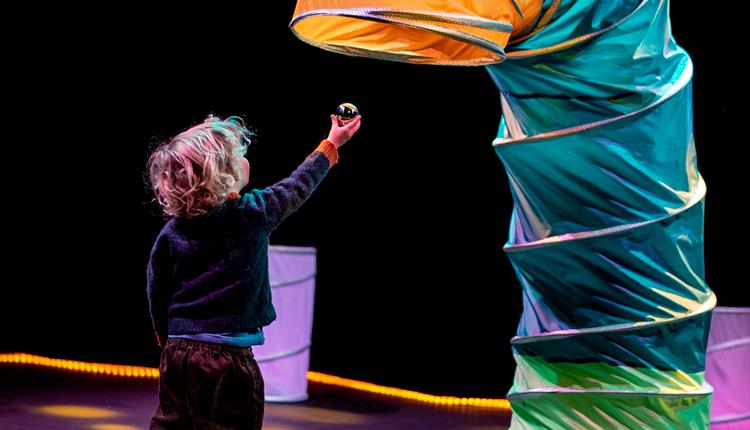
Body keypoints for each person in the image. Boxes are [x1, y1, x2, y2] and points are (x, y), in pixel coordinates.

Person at [145, 112, 362, 429]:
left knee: (173, 423)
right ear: (224, 173)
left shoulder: (174, 230)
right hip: (228, 360)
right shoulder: (253, 213)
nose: (245, 159)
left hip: (179, 353)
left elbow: (156, 288)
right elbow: (298, 184)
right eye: (239, 156)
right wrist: (331, 144)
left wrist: (165, 338)